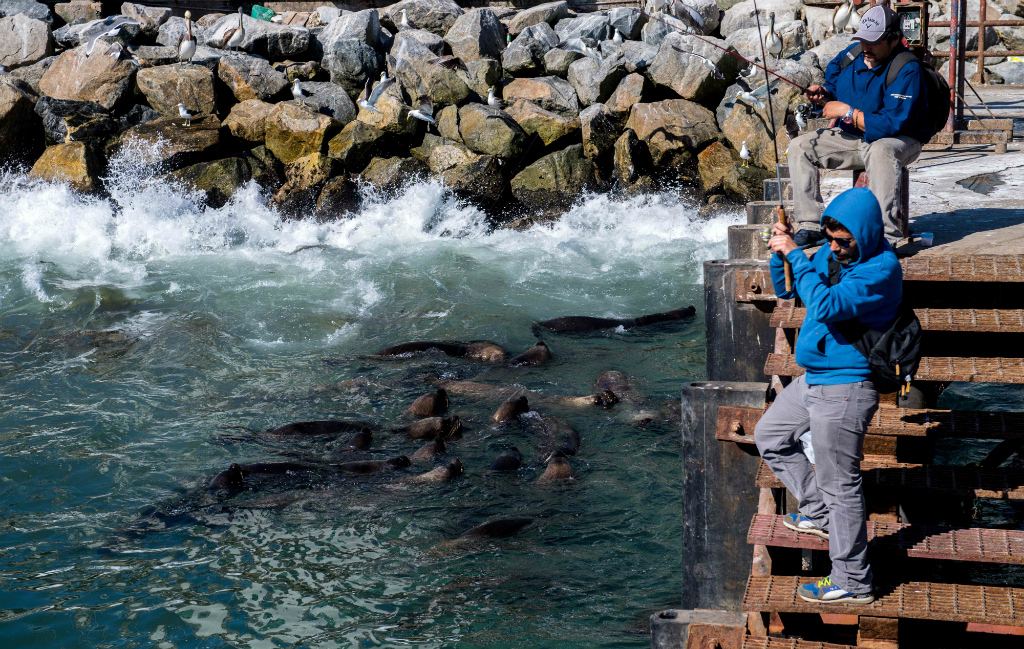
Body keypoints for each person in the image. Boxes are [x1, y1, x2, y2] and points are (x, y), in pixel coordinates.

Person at [754, 186, 902, 605]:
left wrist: (799, 257)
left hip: (846, 388)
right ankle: (818, 512)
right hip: (815, 379)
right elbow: (788, 292)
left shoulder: (880, 270)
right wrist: (779, 253)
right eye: (831, 238)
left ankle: (854, 581)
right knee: (770, 437)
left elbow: (824, 305)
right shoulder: (835, 254)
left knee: (843, 487)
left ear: (866, 233)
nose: (835, 248)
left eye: (844, 241)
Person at [788, 4, 929, 246]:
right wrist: (824, 94)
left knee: (881, 150)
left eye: (873, 41)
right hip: (855, 138)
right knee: (800, 146)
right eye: (863, 39)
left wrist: (847, 111)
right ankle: (811, 225)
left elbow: (891, 124)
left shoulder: (907, 69)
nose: (866, 46)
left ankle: (884, 236)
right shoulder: (850, 57)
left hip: (902, 139)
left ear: (894, 40)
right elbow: (833, 88)